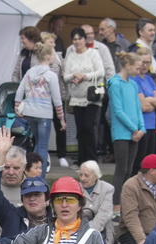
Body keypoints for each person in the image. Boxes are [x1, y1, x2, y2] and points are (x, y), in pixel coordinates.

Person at [15, 43, 65, 175]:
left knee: (37, 142)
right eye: (53, 54)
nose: (54, 57)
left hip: (30, 112)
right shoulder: (51, 75)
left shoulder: (29, 73)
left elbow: (19, 91)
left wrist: (17, 107)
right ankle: (40, 175)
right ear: (48, 57)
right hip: (44, 114)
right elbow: (57, 99)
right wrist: (61, 118)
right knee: (42, 145)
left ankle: (31, 172)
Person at [108, 51, 144, 214]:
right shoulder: (115, 84)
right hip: (122, 133)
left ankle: (125, 201)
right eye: (137, 67)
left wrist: (142, 128)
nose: (139, 70)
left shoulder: (133, 84)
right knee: (121, 169)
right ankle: (115, 204)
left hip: (134, 133)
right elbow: (118, 110)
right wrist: (134, 129)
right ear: (128, 66)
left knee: (129, 170)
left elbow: (138, 108)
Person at [63, 27, 105, 166]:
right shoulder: (71, 56)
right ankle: (82, 158)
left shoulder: (93, 53)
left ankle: (92, 157)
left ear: (84, 39)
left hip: (91, 96)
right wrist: (74, 75)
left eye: (79, 39)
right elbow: (66, 77)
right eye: (74, 39)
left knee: (88, 126)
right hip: (76, 97)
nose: (77, 42)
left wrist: (85, 76)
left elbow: (101, 72)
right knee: (80, 128)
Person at [118, 154, 156, 244]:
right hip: (132, 234)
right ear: (152, 171)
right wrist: (141, 239)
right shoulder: (131, 186)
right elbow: (130, 216)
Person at [130, 48, 156, 175]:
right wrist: (154, 101)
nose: (145, 65)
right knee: (139, 162)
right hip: (140, 126)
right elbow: (143, 106)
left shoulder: (149, 79)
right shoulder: (134, 80)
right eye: (143, 62)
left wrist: (149, 99)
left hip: (151, 125)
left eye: (148, 62)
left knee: (149, 162)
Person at [41, 31, 69, 169]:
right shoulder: (39, 57)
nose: (53, 44)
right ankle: (43, 155)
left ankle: (62, 155)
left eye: (54, 42)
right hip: (44, 98)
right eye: (50, 42)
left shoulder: (58, 56)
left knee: (61, 126)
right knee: (44, 127)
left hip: (58, 95)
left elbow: (64, 71)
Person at [78, 160, 115, 244]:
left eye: (86, 175)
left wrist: (88, 232)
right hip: (78, 229)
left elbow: (104, 214)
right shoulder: (75, 188)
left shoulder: (107, 189)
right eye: (80, 175)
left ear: (96, 176)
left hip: (101, 229)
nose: (82, 178)